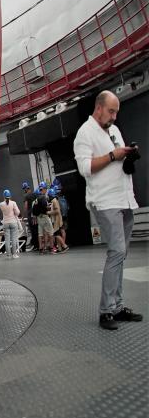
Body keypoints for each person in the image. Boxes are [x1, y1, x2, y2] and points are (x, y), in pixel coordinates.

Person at [74, 90, 142, 331]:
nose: (114, 116)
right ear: (99, 107)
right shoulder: (85, 133)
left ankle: (118, 306)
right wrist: (114, 155)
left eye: (116, 112)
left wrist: (128, 156)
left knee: (121, 255)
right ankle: (106, 311)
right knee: (116, 252)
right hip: (105, 201)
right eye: (111, 111)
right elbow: (85, 168)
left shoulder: (113, 130)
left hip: (124, 199)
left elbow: (117, 159)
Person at [0, 190, 21, 259]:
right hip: (13, 222)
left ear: (3, 196)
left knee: (7, 240)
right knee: (14, 239)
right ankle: (14, 254)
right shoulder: (13, 203)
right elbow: (17, 213)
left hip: (5, 223)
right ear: (10, 195)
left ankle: (8, 255)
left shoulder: (1, 204)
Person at [33, 184, 53, 254]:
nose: (46, 191)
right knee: (50, 232)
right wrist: (49, 207)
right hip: (45, 216)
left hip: (39, 218)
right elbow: (46, 207)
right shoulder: (43, 197)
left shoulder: (36, 199)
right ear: (43, 189)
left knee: (40, 234)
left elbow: (34, 211)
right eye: (46, 189)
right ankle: (51, 248)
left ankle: (41, 249)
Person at [22, 181, 38, 251]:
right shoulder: (35, 194)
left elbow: (25, 206)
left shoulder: (26, 196)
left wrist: (23, 215)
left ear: (26, 188)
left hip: (30, 215)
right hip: (36, 215)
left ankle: (35, 245)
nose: (24, 190)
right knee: (37, 230)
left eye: (24, 189)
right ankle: (38, 245)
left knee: (32, 230)